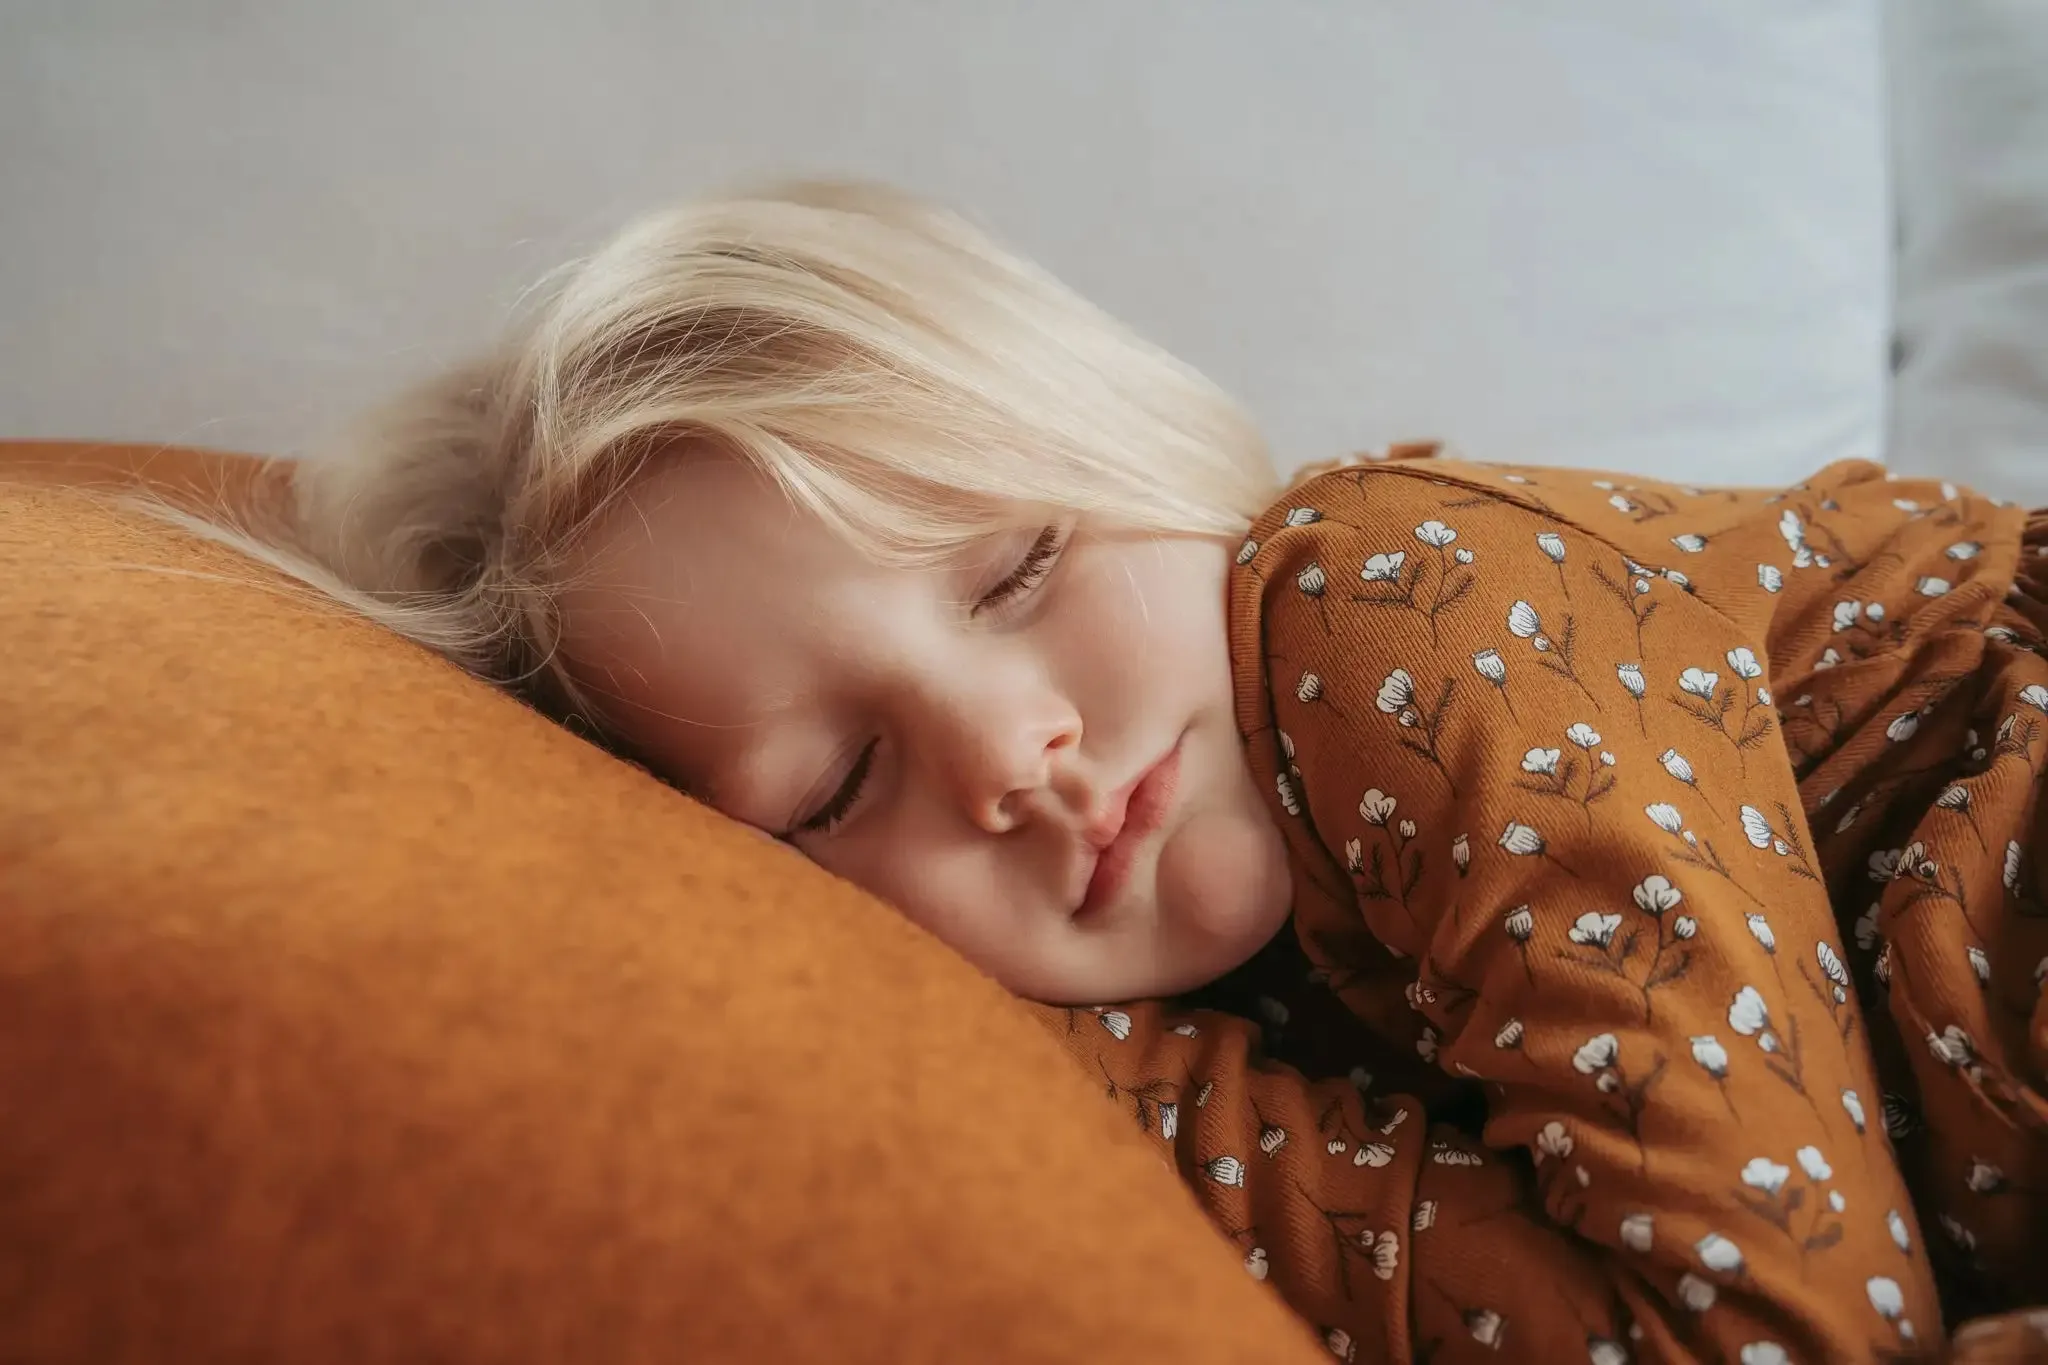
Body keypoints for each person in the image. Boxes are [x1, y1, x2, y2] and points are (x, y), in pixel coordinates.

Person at [176, 181, 2048, 1362]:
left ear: (1142, 454)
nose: (1010, 753)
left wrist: (1105, 1071)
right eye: (833, 787)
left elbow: (1777, 1331)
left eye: (1018, 569)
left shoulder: (1384, 600)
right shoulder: (1203, 996)